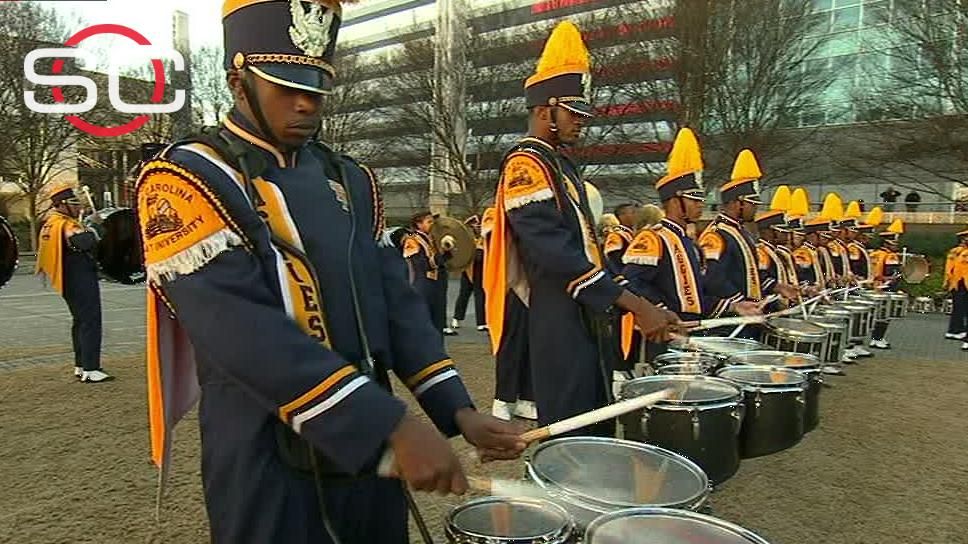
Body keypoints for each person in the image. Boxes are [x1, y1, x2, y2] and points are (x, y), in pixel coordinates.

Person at [135, 2, 524, 542]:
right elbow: (240, 332)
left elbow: (394, 304)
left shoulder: (351, 179)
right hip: (267, 460)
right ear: (238, 80)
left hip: (367, 452)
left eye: (316, 89)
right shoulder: (186, 177)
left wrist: (456, 408)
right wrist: (386, 423)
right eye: (284, 87)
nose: (306, 105)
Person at [484, 21, 676, 438]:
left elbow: (589, 252)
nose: (581, 122)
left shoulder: (560, 165)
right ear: (542, 110)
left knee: (597, 424)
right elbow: (555, 255)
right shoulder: (525, 164)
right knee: (573, 436)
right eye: (573, 113)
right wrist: (635, 305)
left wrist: (639, 303)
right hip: (559, 317)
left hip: (586, 313)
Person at [622, 128, 760, 363]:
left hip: (693, 334)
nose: (700, 205)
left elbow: (696, 297)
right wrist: (661, 311)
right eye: (694, 199)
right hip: (665, 338)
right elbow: (630, 283)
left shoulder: (689, 244)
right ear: (675, 201)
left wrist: (734, 307)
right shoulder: (652, 238)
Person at [35, 184, 112, 383]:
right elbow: (87, 243)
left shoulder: (50, 222)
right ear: (61, 205)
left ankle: (81, 364)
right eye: (73, 203)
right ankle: (91, 368)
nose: (78, 207)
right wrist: (95, 226)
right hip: (79, 276)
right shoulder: (65, 224)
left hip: (68, 277)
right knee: (90, 320)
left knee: (80, 321)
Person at [403, 211, 457, 336]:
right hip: (423, 284)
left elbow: (441, 262)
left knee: (437, 323)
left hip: (436, 284)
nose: (432, 224)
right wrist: (442, 253)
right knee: (424, 322)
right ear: (418, 224)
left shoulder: (432, 238)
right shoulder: (412, 240)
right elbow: (424, 265)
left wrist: (447, 251)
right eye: (429, 221)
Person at [869, 219, 904, 349]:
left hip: (874, 287)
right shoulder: (891, 256)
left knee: (874, 315)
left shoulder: (875, 253)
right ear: (887, 243)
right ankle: (878, 338)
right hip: (886, 288)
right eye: (894, 243)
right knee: (884, 315)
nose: (896, 246)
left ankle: (874, 338)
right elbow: (892, 274)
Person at [451, 215, 487, 332]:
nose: (478, 228)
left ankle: (481, 322)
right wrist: (466, 223)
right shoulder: (468, 238)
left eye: (480, 225)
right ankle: (457, 318)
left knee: (480, 294)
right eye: (475, 225)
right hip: (468, 268)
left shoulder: (485, 237)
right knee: (464, 294)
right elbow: (458, 232)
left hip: (481, 269)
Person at [944, 228, 968, 349]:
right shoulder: (961, 252)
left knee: (958, 308)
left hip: (956, 282)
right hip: (962, 283)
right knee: (961, 308)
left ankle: (954, 330)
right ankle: (958, 330)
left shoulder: (954, 251)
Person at [603, 203, 639, 274]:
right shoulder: (616, 235)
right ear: (622, 216)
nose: (636, 215)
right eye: (633, 212)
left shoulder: (631, 234)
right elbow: (613, 259)